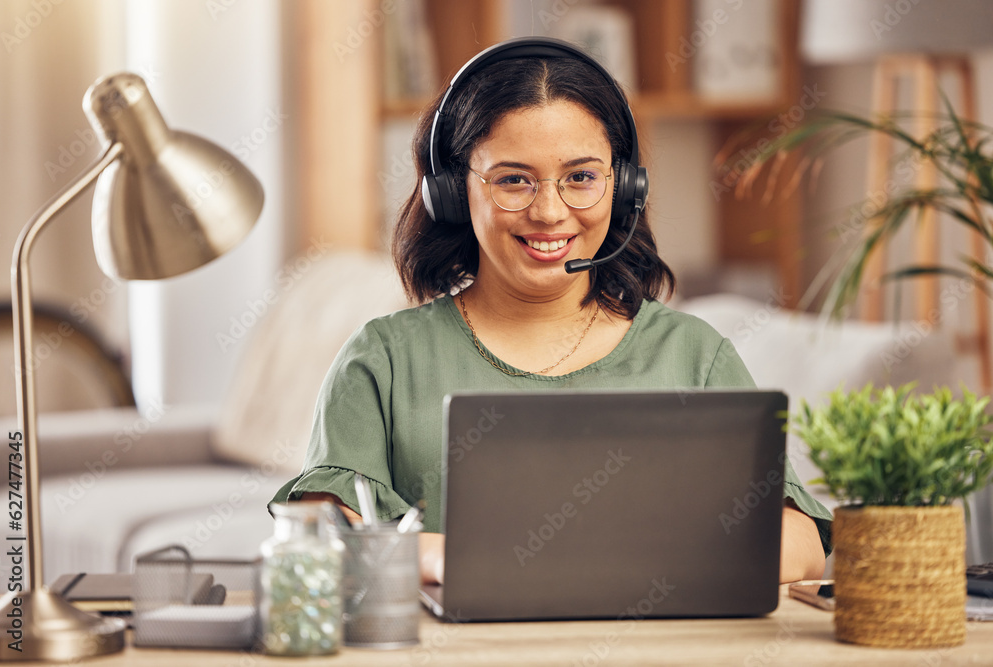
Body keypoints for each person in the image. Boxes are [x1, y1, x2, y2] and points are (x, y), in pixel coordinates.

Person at [271, 37, 831, 585]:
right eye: (513, 179)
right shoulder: (384, 360)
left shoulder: (694, 355)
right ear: (450, 191)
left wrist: (609, 566)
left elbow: (802, 543)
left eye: (581, 177)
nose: (549, 211)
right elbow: (319, 534)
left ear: (625, 187)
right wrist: (441, 557)